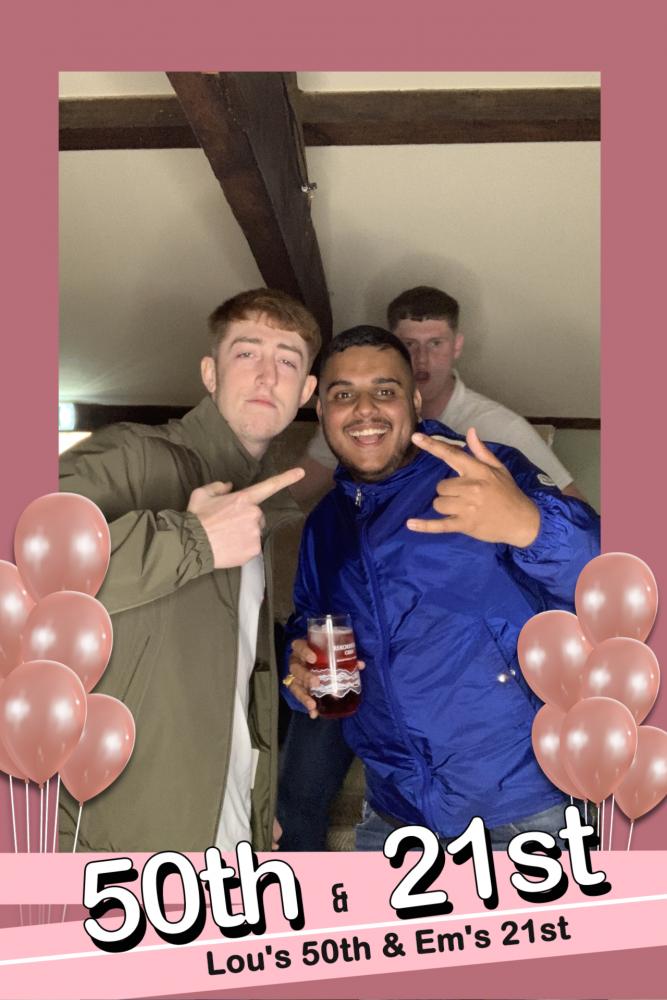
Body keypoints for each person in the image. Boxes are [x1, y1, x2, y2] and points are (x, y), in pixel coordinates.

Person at [282, 326, 599, 850]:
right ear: (321, 411)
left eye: (384, 390)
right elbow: (310, 625)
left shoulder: (484, 472)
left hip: (526, 807)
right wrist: (296, 673)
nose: (365, 409)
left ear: (413, 400)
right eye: (343, 395)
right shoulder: (324, 526)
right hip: (395, 811)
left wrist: (531, 525)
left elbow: (607, 574)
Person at [58, 288, 319, 852]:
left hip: (225, 833)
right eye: (247, 353)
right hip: (112, 842)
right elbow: (19, 569)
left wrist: (252, 803)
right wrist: (192, 539)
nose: (267, 376)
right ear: (210, 373)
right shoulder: (129, 455)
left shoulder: (262, 511)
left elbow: (233, 684)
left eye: (288, 361)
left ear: (306, 391)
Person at [292, 285, 583, 507]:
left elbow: (578, 516)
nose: (421, 359)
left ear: (456, 346)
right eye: (409, 344)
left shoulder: (502, 428)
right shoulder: (355, 421)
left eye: (435, 343)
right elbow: (294, 493)